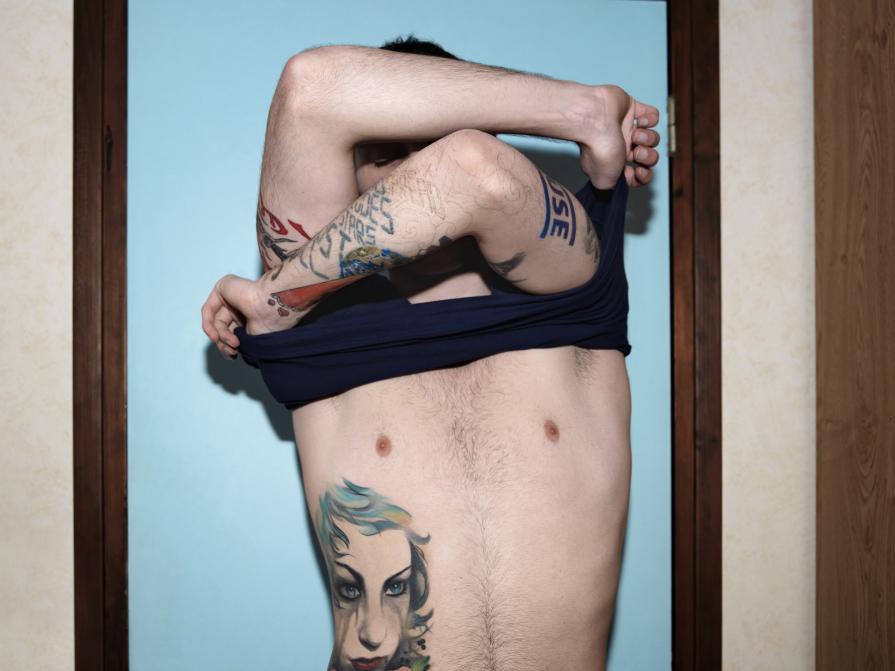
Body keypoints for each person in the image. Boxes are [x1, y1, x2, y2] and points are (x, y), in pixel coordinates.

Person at [201, 36, 660, 670]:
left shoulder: (578, 285)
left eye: (433, 144)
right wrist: (286, 298)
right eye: (387, 156)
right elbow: (310, 88)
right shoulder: (322, 331)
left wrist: (273, 298)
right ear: (354, 185)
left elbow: (473, 174)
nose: (418, 171)